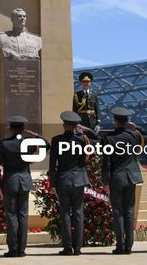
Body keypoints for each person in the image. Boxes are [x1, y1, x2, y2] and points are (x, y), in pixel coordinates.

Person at [48, 110, 100, 256]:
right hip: (79, 180)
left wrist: (52, 184)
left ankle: (67, 247)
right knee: (78, 213)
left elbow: (52, 165)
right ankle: (78, 248)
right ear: (77, 125)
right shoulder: (83, 140)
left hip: (63, 180)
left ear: (64, 125)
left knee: (64, 213)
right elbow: (99, 140)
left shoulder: (56, 140)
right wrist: (88, 130)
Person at [0, 116, 43, 257]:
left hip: (10, 181)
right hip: (24, 181)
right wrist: (36, 135)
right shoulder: (29, 143)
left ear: (11, 129)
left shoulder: (5, 144)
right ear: (23, 129)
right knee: (23, 215)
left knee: (11, 216)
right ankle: (21, 249)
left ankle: (13, 249)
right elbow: (45, 145)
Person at [102, 107, 147, 255]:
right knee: (129, 211)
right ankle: (129, 245)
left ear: (115, 121)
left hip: (116, 178)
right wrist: (137, 128)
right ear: (127, 121)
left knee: (118, 212)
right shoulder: (134, 135)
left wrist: (105, 182)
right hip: (131, 177)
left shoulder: (109, 138)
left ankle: (120, 246)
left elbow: (106, 163)